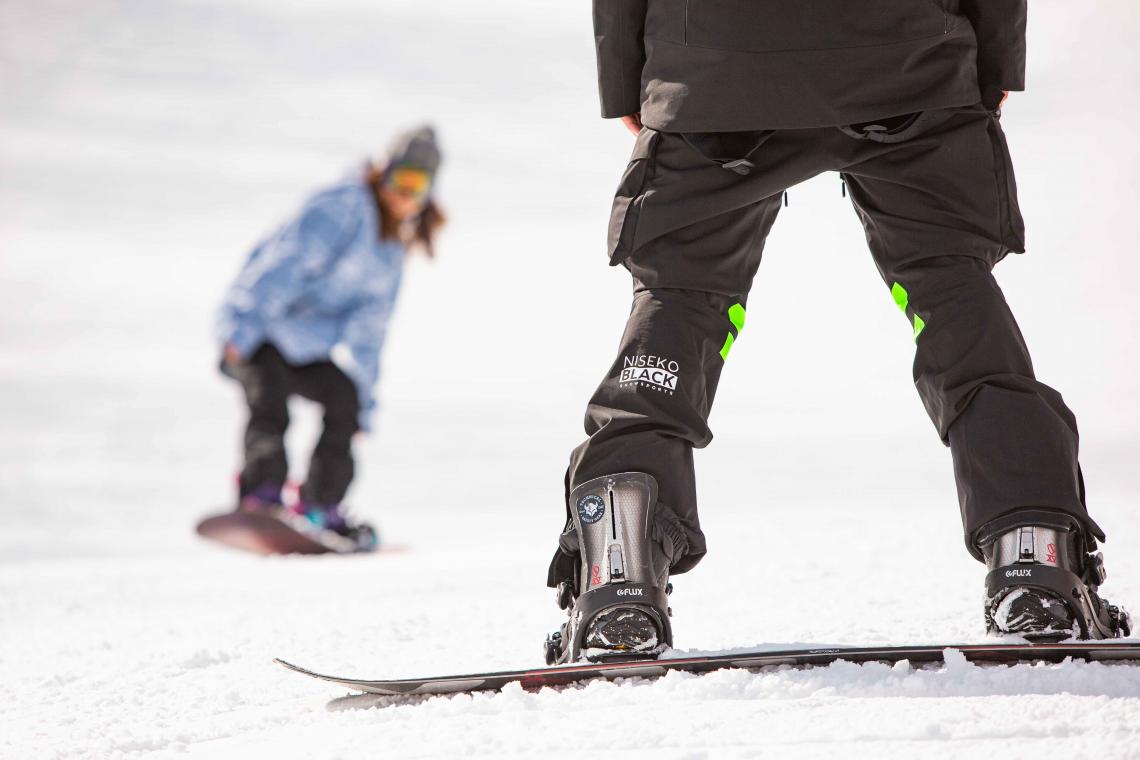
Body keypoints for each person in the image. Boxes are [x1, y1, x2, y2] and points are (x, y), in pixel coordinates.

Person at [544, 2, 1130, 663]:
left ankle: (617, 569)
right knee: (951, 294)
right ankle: (1034, 554)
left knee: (680, 302)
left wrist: (631, 79)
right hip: (906, 59)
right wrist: (992, 65)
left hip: (715, 62)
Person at [215, 126, 443, 552]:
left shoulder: (391, 248)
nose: (405, 194)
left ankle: (321, 506)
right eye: (400, 179)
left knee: (344, 400)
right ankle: (261, 494)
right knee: (269, 402)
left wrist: (365, 407)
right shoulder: (341, 207)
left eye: (418, 185)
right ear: (382, 173)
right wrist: (241, 330)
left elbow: (370, 332)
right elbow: (280, 268)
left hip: (305, 348)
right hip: (259, 329)